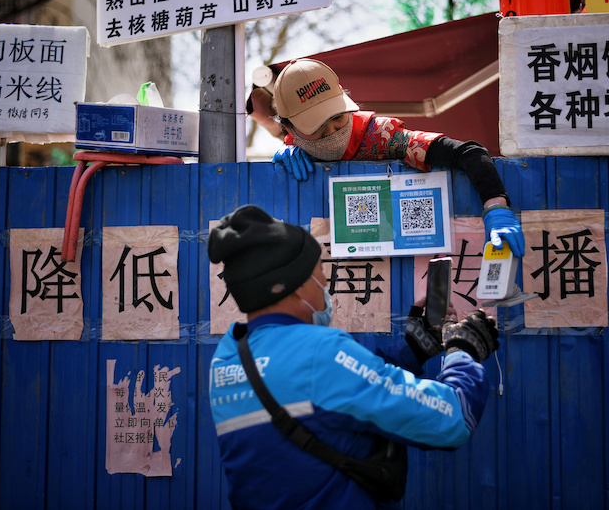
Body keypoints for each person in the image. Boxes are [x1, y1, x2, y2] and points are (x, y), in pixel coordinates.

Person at [207, 204, 499, 510]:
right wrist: (463, 350)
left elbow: (332, 397)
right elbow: (452, 418)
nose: (325, 281)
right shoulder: (319, 353)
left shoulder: (228, 358)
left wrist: (414, 349)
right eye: (319, 270)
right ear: (295, 287)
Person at [265, 58, 524, 258]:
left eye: (337, 117)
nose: (332, 132)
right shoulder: (293, 155)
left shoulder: (384, 137)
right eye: (316, 126)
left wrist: (496, 207)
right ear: (289, 129)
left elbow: (469, 153)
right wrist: (277, 171)